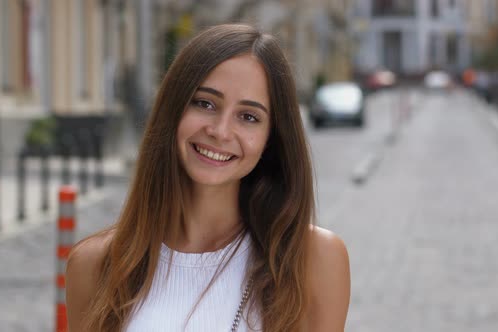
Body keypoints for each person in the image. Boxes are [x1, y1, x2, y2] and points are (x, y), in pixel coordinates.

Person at [65, 23, 350, 332]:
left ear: (271, 139)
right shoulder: (94, 264)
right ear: (173, 109)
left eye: (249, 117)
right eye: (205, 103)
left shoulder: (312, 259)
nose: (220, 131)